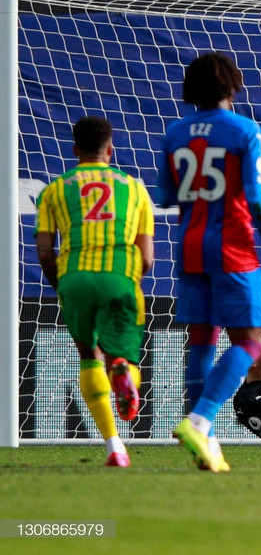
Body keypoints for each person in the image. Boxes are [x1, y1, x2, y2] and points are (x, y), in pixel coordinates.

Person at [157, 52, 261, 472]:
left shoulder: (175, 133)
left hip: (190, 244)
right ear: (233, 83)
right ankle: (199, 421)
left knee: (202, 340)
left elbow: (168, 196)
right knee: (250, 341)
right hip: (232, 244)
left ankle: (204, 442)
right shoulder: (244, 129)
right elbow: (254, 194)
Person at [35, 116, 155, 468]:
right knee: (124, 358)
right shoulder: (134, 188)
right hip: (119, 276)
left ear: (75, 150)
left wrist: (62, 284)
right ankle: (121, 369)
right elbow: (147, 258)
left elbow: (44, 250)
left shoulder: (54, 189)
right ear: (111, 149)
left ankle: (114, 447)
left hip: (75, 278)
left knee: (89, 355)